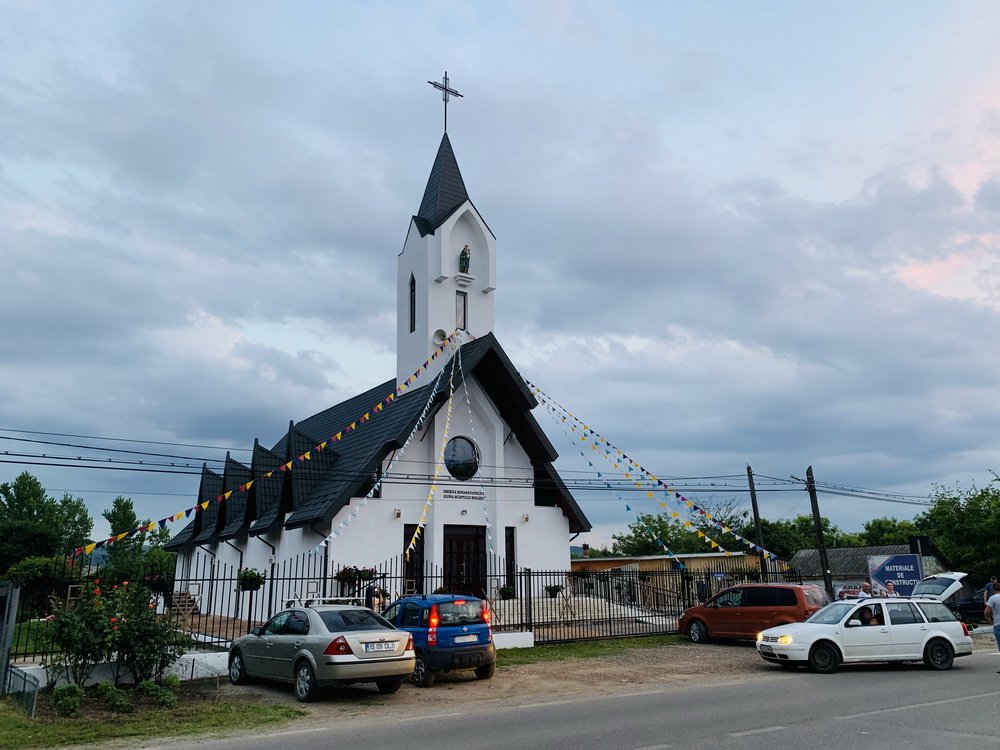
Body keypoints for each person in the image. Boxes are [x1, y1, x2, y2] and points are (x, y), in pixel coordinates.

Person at [985, 585, 1000, 661]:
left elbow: (987, 611)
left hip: (998, 623)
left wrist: (988, 618)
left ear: (993, 589)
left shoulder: (993, 598)